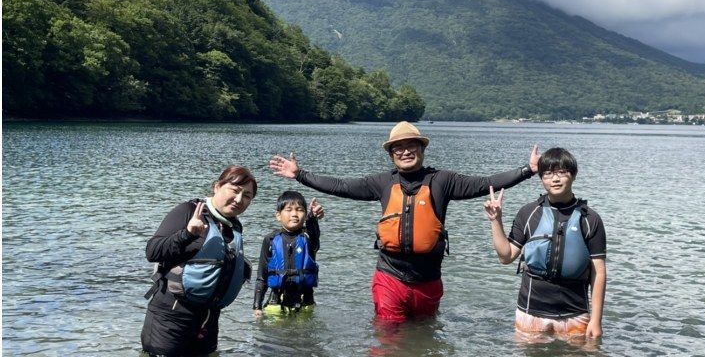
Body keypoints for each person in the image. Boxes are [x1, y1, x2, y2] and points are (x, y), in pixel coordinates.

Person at [270, 121, 540, 322]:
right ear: (391, 155)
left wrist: (527, 171)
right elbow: (341, 185)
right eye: (398, 148)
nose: (405, 151)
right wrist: (300, 175)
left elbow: (485, 183)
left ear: (422, 149)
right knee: (388, 342)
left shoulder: (442, 181)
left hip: (428, 281)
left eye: (412, 146)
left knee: (424, 338)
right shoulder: (382, 183)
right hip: (390, 277)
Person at [483, 147, 606, 339]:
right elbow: (506, 256)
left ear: (573, 175)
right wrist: (495, 220)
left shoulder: (590, 219)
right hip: (530, 312)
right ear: (541, 179)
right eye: (548, 174)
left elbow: (598, 272)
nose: (555, 179)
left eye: (562, 173)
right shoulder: (529, 213)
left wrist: (596, 320)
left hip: (575, 313)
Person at [141, 165, 257, 357]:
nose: (239, 200)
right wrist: (187, 234)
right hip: (171, 316)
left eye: (247, 196)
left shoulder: (234, 225)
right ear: (217, 186)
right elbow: (152, 251)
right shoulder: (188, 211)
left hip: (208, 320)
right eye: (235, 190)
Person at [253, 190, 325, 317]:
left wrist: (312, 217)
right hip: (276, 303)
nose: (294, 214)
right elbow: (262, 275)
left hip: (305, 303)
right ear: (278, 215)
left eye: (300, 209)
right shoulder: (270, 240)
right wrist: (257, 306)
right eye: (289, 209)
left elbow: (314, 232)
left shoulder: (309, 238)